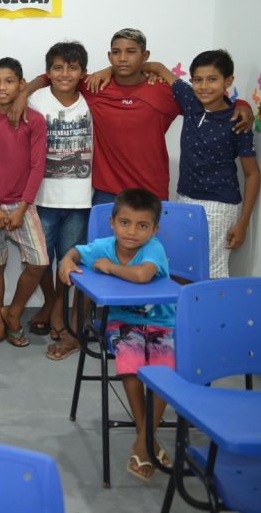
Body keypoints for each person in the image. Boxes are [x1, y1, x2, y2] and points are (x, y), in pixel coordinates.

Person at [0, 28, 253, 205]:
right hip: (105, 192)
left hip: (150, 191)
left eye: (131, 52)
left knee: (146, 262)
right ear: (109, 55)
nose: (123, 58)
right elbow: (50, 77)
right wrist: (24, 95)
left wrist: (241, 103)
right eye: (117, 53)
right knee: (99, 261)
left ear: (144, 56)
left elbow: (204, 103)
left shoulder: (162, 91)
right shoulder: (96, 85)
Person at [57, 188, 175, 481]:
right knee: (130, 364)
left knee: (163, 371)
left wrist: (110, 268)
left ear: (155, 229)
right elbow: (77, 251)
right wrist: (66, 262)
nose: (132, 232)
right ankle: (146, 440)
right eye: (125, 223)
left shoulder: (153, 249)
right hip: (120, 321)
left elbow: (142, 275)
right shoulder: (104, 245)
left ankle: (142, 442)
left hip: (161, 321)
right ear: (112, 222)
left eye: (142, 225)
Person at [142, 50, 261, 278]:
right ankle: (179, 314)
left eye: (212, 79)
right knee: (178, 266)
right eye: (198, 79)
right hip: (185, 198)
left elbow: (252, 173)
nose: (204, 86)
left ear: (228, 81)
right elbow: (157, 67)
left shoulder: (237, 121)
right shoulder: (190, 101)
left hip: (219, 205)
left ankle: (207, 315)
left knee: (208, 272)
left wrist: (244, 222)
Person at [0, 58, 49, 352]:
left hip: (22, 206)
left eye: (9, 81)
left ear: (21, 84)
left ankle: (13, 311)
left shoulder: (34, 120)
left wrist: (21, 208)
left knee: (39, 260)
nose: (2, 88)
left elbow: (37, 167)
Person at [24, 42, 94, 361]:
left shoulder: (92, 99)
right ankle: (53, 309)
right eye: (57, 67)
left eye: (72, 67)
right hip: (42, 196)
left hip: (80, 200)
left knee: (68, 262)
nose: (65, 74)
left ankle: (58, 316)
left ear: (83, 72)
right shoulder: (36, 99)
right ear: (48, 71)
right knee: (40, 262)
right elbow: (2, 100)